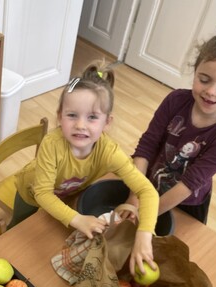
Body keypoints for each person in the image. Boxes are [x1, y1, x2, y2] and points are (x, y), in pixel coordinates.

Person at [9, 61, 160, 275]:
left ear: (107, 122)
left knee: (43, 240)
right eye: (72, 115)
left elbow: (147, 191)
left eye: (92, 117)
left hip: (64, 194)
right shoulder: (52, 145)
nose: (81, 125)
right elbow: (42, 193)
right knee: (17, 231)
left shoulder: (109, 151)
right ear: (60, 116)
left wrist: (144, 235)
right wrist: (77, 219)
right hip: (30, 193)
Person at [126, 31, 216, 224]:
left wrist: (147, 218)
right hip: (148, 185)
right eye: (204, 80)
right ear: (195, 72)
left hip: (185, 204)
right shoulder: (175, 100)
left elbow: (190, 182)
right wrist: (134, 194)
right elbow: (147, 146)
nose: (211, 91)